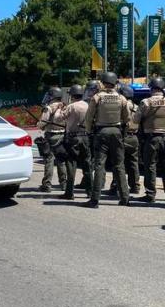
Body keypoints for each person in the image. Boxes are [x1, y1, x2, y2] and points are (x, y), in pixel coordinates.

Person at [84, 71, 130, 207]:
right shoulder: (122, 98)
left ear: (103, 83)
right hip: (117, 132)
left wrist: (88, 131)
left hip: (101, 132)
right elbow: (127, 119)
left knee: (99, 165)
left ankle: (95, 199)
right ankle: (125, 198)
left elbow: (88, 118)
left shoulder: (97, 97)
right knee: (119, 165)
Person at [137, 77, 165, 203]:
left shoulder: (146, 102)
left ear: (152, 88)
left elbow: (135, 119)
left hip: (152, 138)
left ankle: (150, 194)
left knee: (150, 166)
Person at [56, 84, 91, 200]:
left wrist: (59, 109)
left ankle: (69, 192)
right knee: (87, 164)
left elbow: (59, 118)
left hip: (73, 137)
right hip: (85, 136)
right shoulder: (87, 105)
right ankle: (90, 191)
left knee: (71, 164)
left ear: (72, 95)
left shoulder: (71, 106)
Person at [37, 87, 67, 192]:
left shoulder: (49, 108)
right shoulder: (65, 107)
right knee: (61, 161)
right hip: (63, 136)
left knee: (49, 160)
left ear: (52, 96)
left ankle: (47, 184)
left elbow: (42, 123)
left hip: (51, 136)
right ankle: (64, 183)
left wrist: (39, 124)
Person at [119, 83, 141, 195]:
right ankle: (135, 186)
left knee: (119, 163)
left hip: (123, 136)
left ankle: (117, 186)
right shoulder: (137, 107)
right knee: (133, 163)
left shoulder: (121, 106)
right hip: (134, 137)